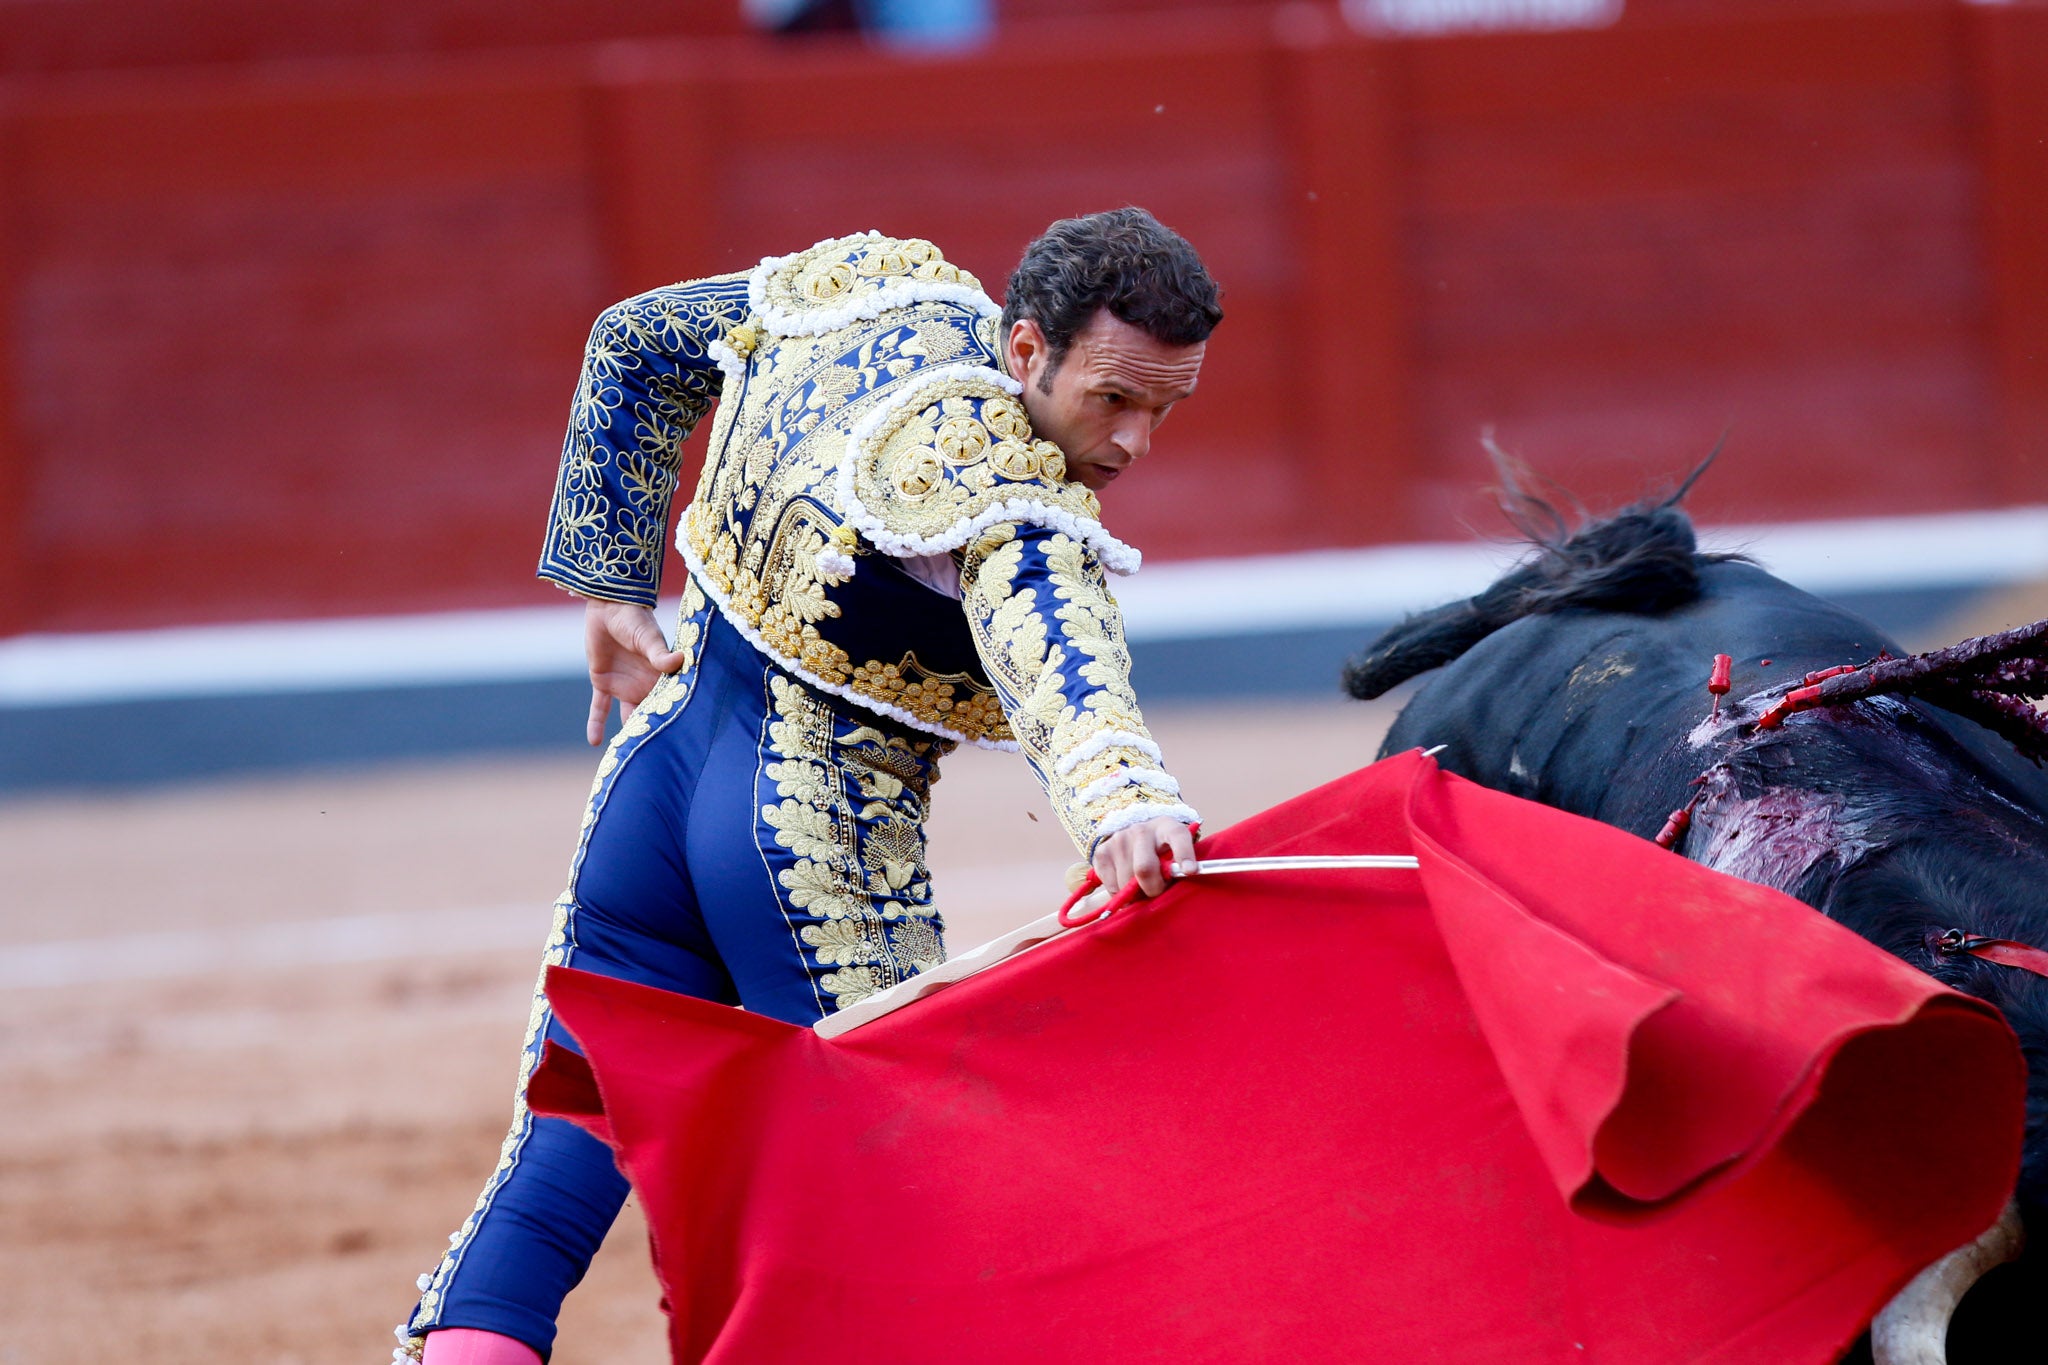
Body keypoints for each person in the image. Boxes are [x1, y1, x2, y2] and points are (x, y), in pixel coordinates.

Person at [395, 208, 1223, 1364]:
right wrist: (1124, 801)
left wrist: (614, 584)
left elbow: (636, 341)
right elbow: (1057, 648)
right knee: (895, 1202)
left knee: (571, 1131)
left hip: (654, 783)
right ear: (1024, 350)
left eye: (1165, 409)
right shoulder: (1005, 494)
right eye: (1115, 399)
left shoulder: (866, 296)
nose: (1135, 443)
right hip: (806, 840)